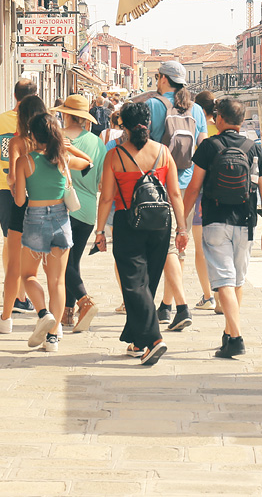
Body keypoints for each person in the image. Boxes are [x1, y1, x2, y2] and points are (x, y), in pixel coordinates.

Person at [95, 101, 188, 367]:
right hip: (160, 223)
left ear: (122, 125)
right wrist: (182, 228)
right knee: (146, 283)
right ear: (148, 123)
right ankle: (137, 341)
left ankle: (154, 339)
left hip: (128, 223)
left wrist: (99, 231)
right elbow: (175, 194)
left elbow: (107, 198)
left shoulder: (115, 156)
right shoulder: (163, 153)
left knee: (134, 284)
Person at [183, 97, 262, 358]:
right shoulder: (254, 149)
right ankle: (228, 332)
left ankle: (235, 337)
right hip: (245, 222)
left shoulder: (209, 146)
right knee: (236, 281)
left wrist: (182, 223)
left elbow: (193, 188)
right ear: (242, 121)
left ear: (219, 119)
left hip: (215, 220)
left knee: (223, 281)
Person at [10, 104, 91, 352]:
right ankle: (53, 337)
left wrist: (15, 188)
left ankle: (43, 313)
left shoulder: (25, 161)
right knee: (57, 281)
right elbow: (88, 162)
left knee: (28, 275)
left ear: (32, 135)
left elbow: (20, 201)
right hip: (60, 219)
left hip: (35, 219)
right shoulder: (63, 158)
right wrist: (69, 147)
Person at [146, 60, 208, 331]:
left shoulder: (153, 105)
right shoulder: (197, 110)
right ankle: (166, 305)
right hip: (188, 184)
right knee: (179, 245)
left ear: (162, 79)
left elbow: (144, 144)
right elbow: (203, 147)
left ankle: (170, 306)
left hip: (158, 184)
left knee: (162, 247)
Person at [0, 78, 38, 328]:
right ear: (35, 95)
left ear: (14, 96)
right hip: (35, 189)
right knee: (27, 243)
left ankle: (13, 291)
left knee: (9, 239)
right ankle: (21, 295)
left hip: (5, 189)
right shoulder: (40, 121)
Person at [56, 94, 105, 333]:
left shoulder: (57, 138)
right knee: (72, 261)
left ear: (66, 114)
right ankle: (67, 313)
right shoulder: (97, 143)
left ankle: (84, 301)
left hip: (60, 205)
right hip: (86, 209)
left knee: (62, 261)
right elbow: (100, 181)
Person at [190, 90, 220, 310]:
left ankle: (208, 296)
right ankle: (221, 294)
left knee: (200, 248)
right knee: (220, 248)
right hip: (223, 194)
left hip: (200, 192)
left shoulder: (196, 130)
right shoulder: (221, 129)